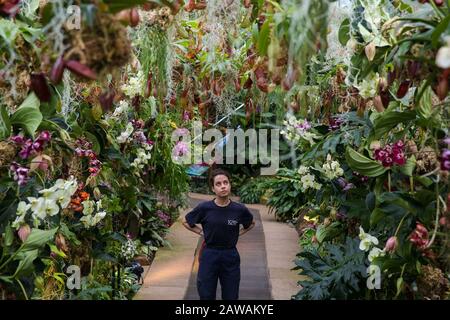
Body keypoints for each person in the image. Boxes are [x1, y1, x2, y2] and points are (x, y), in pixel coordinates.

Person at [182, 168, 255, 300]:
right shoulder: (205, 208)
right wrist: (201, 232)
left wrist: (237, 234)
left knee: (231, 295)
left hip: (230, 255)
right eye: (218, 184)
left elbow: (251, 224)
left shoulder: (239, 209)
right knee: (206, 294)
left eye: (225, 183)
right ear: (213, 189)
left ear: (230, 185)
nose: (223, 186)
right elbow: (186, 222)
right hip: (209, 254)